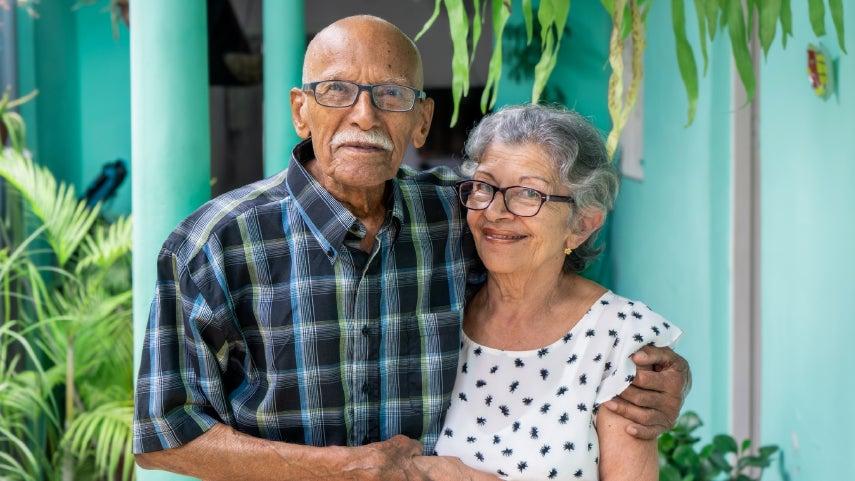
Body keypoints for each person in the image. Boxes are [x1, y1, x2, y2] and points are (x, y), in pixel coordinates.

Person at [132, 15, 690, 481]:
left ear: (421, 121)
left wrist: (663, 376)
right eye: (337, 91)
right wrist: (340, 470)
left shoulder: (463, 212)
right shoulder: (213, 245)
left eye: (392, 95)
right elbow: (164, 435)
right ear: (301, 109)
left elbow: (549, 288)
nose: (365, 116)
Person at [433, 104, 681, 480]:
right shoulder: (442, 309)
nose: (496, 211)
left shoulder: (615, 339)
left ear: (581, 224)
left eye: (529, 194)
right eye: (484, 186)